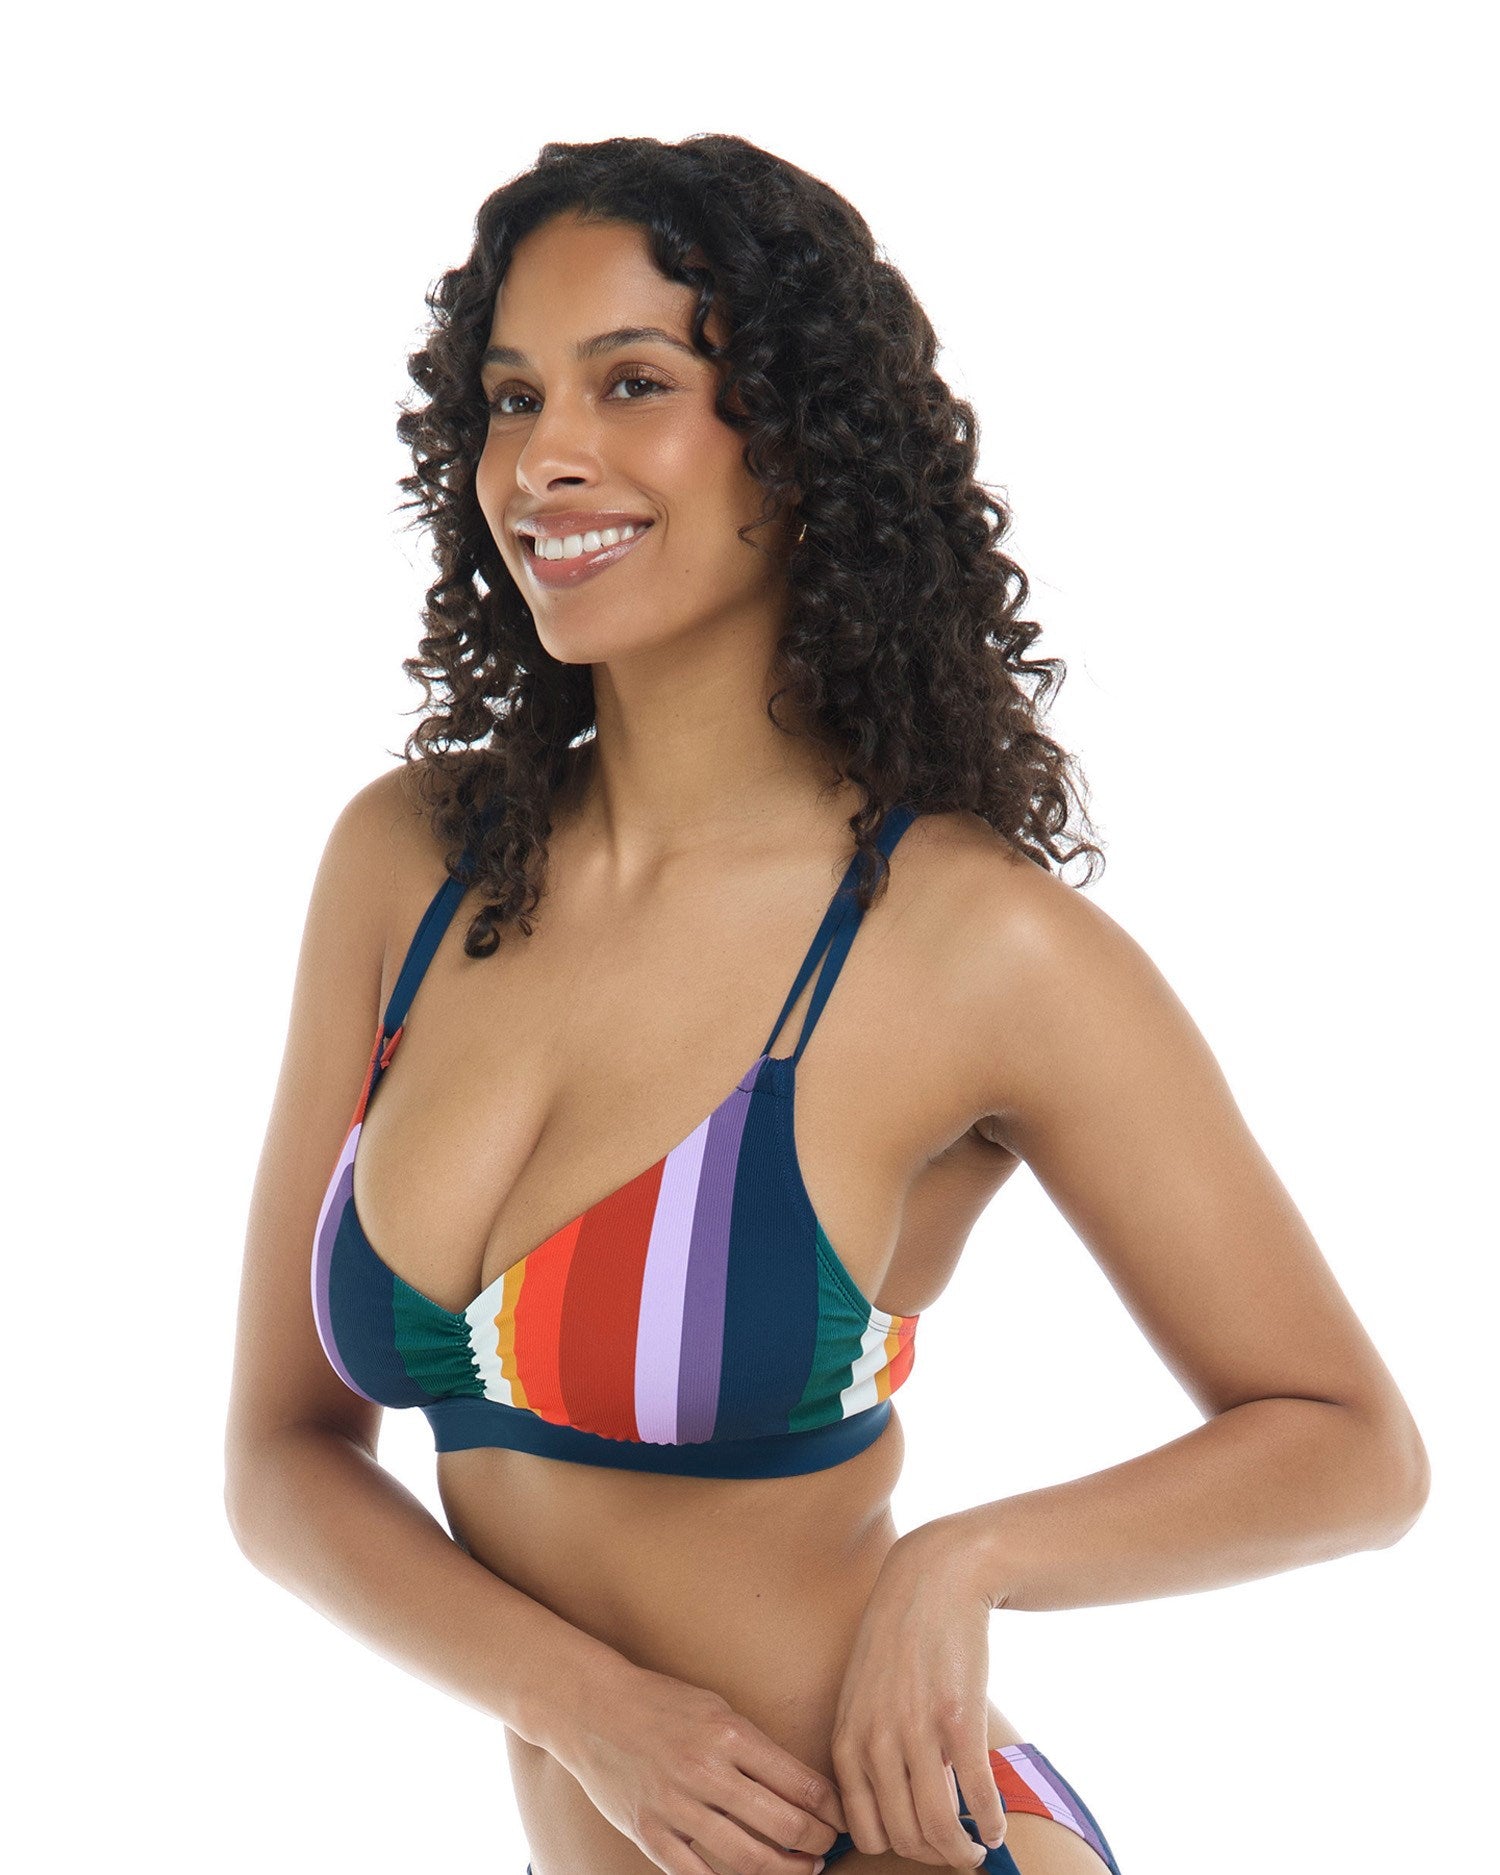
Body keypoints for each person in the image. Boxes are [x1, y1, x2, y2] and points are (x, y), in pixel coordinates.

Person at [223, 134, 1429, 1875]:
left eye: (634, 383)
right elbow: (281, 1458)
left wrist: (970, 1562)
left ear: (795, 443)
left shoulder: (967, 945)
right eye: (511, 398)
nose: (545, 458)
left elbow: (1352, 1447)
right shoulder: (408, 867)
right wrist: (582, 1706)